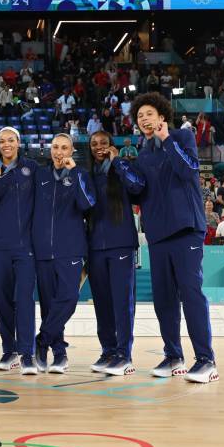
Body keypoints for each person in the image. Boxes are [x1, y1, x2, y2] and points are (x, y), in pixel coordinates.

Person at [114, 92, 218, 384]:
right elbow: (139, 193)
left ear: (161, 116)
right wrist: (124, 171)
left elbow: (188, 171)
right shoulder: (143, 153)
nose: (144, 119)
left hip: (186, 229)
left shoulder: (182, 137)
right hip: (158, 234)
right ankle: (174, 356)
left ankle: (207, 361)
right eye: (139, 116)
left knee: (191, 293)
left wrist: (167, 139)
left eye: (149, 113)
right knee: (164, 299)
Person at [32, 133, 96, 375]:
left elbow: (87, 203)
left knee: (68, 297)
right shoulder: (40, 176)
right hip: (42, 250)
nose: (59, 152)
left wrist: (76, 172)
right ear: (50, 150)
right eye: (55, 147)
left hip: (70, 248)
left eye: (64, 148)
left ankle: (42, 341)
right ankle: (59, 352)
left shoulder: (80, 175)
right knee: (48, 304)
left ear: (71, 151)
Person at [0, 127, 37, 374]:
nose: (6, 144)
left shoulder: (32, 168)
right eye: (2, 141)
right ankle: (9, 351)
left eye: (11, 140)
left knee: (23, 300)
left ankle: (27, 354)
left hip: (26, 246)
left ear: (18, 142)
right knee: (2, 300)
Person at [87, 131, 140, 376]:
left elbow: (137, 186)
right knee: (103, 303)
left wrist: (118, 161)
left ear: (111, 146)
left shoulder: (122, 169)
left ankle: (124, 354)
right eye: (94, 144)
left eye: (103, 143)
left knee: (122, 302)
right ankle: (108, 350)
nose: (99, 147)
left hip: (121, 244)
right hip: (96, 247)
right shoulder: (87, 175)